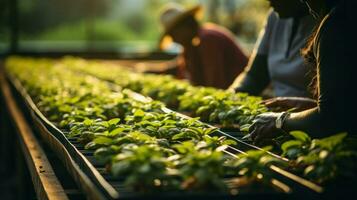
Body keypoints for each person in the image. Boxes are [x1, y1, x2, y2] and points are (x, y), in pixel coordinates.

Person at [247, 0, 357, 145]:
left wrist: (280, 121)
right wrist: (311, 107)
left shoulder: (337, 23)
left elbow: (330, 120)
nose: (305, 2)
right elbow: (345, 109)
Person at [229, 0, 317, 112]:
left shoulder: (325, 24)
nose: (270, 3)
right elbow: (255, 75)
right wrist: (230, 96)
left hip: (304, 119)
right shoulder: (274, 17)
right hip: (275, 113)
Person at [159, 4, 248, 89]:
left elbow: (215, 83)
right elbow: (177, 67)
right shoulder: (193, 45)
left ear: (185, 26)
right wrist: (148, 68)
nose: (174, 40)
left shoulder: (208, 39)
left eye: (174, 34)